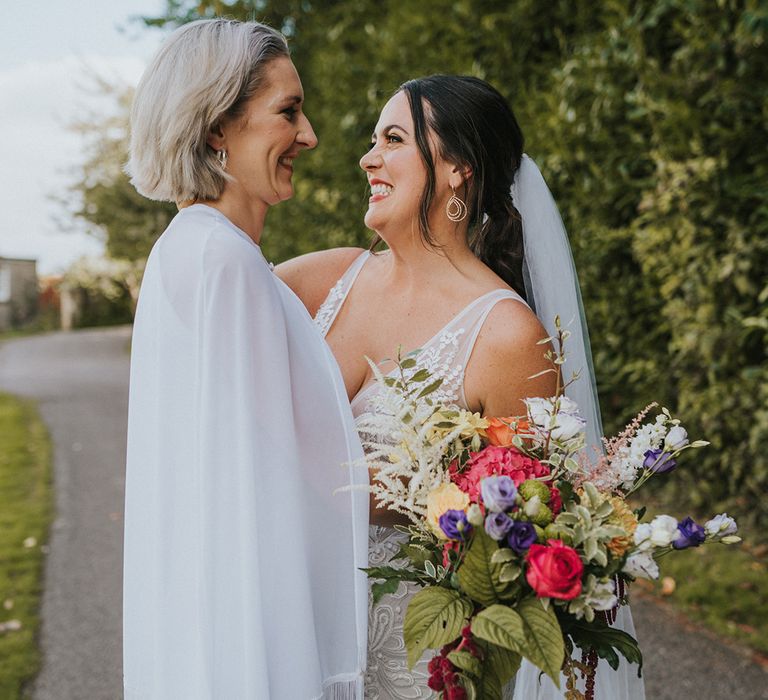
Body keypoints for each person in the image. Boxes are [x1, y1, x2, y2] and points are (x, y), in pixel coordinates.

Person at [277, 75, 645, 698]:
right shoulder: (323, 280)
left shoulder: (505, 336)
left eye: (393, 139)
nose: (368, 158)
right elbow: (202, 309)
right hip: (292, 627)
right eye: (374, 139)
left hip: (412, 662)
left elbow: (524, 550)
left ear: (458, 171)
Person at [123, 19, 368, 699]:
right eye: (288, 112)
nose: (310, 135)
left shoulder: (195, 250)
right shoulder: (224, 264)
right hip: (252, 635)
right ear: (215, 129)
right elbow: (271, 479)